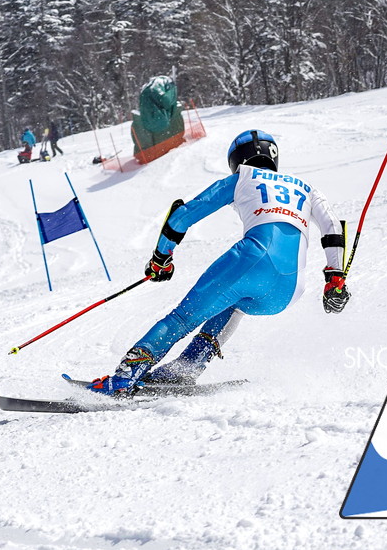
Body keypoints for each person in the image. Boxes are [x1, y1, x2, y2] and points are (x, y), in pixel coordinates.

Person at [88, 129, 349, 394]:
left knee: (182, 318)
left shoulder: (243, 177)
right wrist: (335, 280)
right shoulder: (307, 188)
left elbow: (182, 216)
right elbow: (332, 228)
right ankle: (188, 367)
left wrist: (161, 259)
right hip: (290, 288)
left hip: (251, 260)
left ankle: (124, 376)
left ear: (237, 160)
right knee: (232, 305)